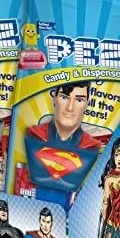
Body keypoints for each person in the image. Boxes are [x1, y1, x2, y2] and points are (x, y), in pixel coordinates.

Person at [24, 81, 101, 210]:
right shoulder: (34, 136)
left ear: (87, 103)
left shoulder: (91, 148)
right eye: (64, 97)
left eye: (79, 100)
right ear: (54, 98)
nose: (70, 107)